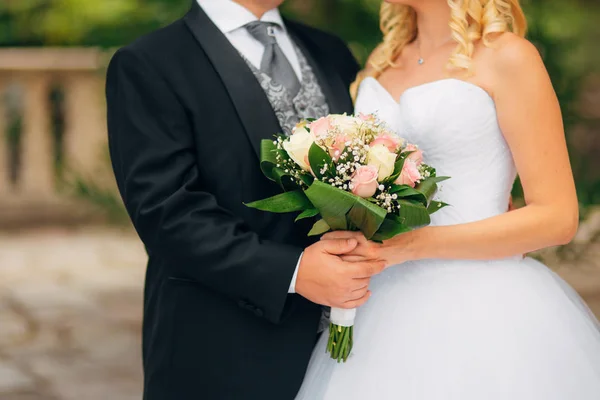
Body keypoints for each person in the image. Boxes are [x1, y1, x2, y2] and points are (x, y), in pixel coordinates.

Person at [296, 0, 600, 399]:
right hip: (379, 304)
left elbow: (557, 217)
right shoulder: (381, 60)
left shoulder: (508, 56)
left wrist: (413, 245)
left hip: (484, 305)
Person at [105, 0, 385, 398]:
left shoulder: (330, 50)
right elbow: (166, 212)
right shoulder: (150, 63)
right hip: (221, 347)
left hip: (349, 349)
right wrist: (293, 271)